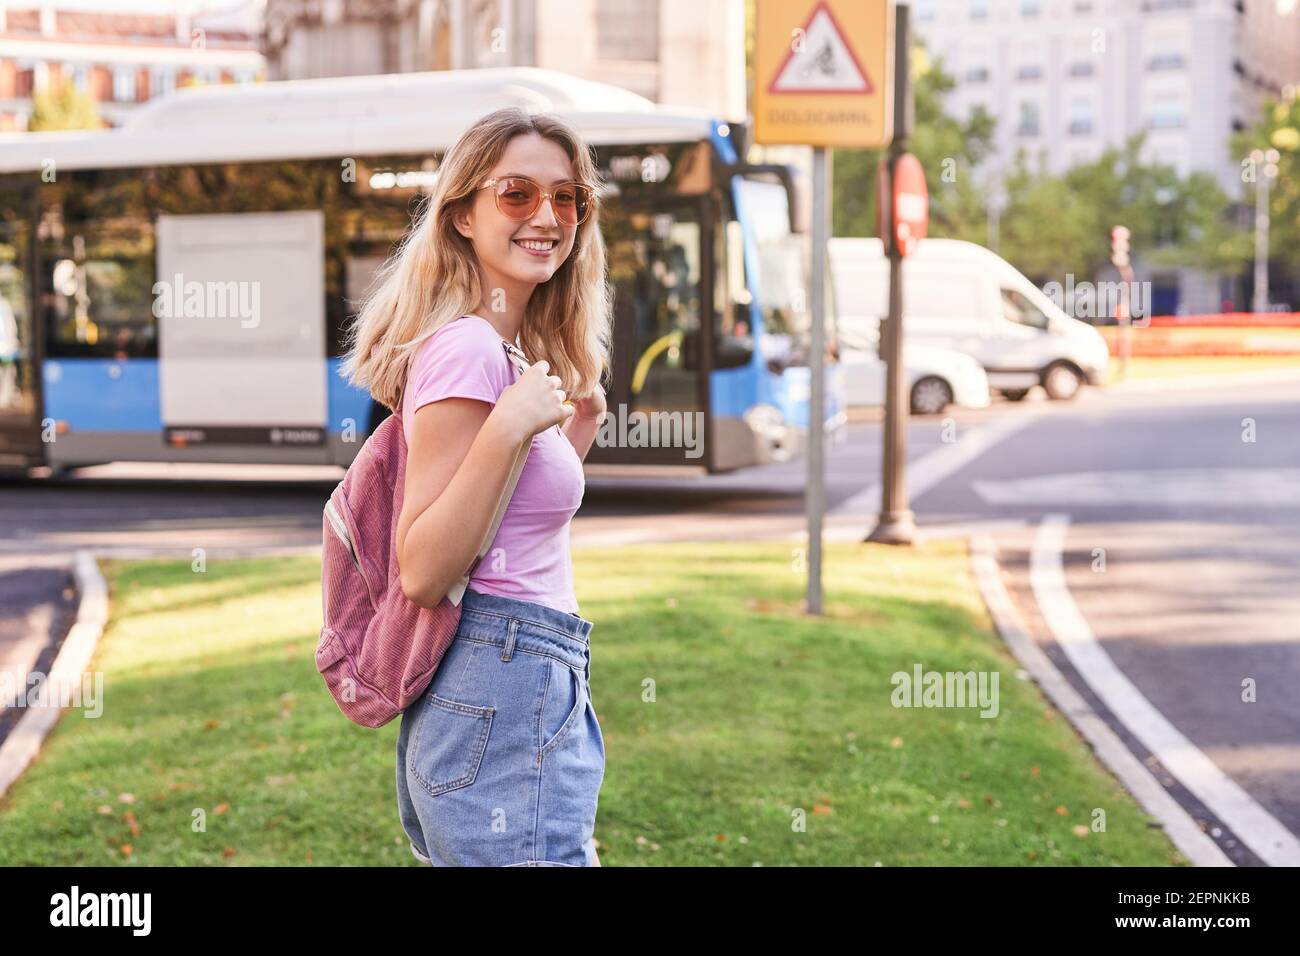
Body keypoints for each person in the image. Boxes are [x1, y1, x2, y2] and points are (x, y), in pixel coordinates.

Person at [339, 107, 612, 866]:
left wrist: (565, 431)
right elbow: (425, 568)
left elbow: (509, 522)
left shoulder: (504, 348)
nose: (548, 216)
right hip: (503, 666)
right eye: (517, 194)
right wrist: (507, 427)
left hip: (519, 670)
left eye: (568, 198)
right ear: (462, 213)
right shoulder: (466, 349)